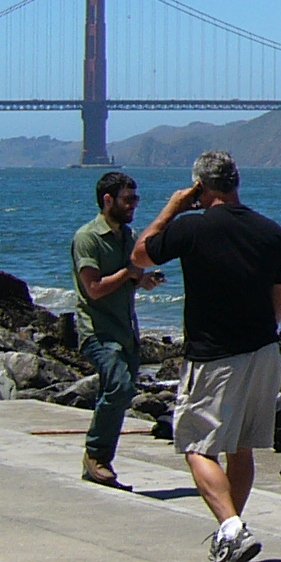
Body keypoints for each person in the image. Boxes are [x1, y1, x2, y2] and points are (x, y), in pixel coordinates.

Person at [131, 151, 281, 562]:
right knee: (241, 446)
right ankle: (230, 533)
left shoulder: (191, 227)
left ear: (200, 187)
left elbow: (141, 255)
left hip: (214, 355)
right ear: (236, 182)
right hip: (263, 352)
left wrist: (173, 206)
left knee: (195, 445)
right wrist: (264, 331)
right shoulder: (271, 232)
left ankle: (232, 527)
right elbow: (280, 296)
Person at [71, 170, 163, 489]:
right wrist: (128, 272)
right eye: (128, 199)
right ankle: (96, 456)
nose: (133, 204)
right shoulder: (88, 238)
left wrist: (144, 280)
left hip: (126, 331)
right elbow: (94, 288)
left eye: (136, 198)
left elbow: (130, 278)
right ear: (108, 200)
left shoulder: (128, 235)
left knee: (117, 392)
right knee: (120, 388)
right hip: (98, 331)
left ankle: (99, 461)